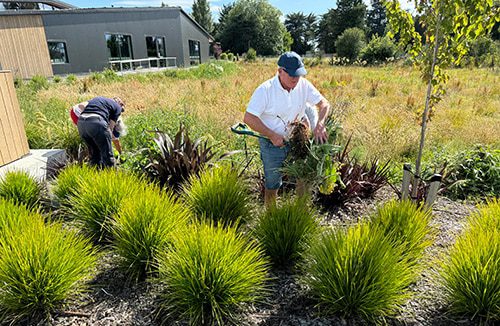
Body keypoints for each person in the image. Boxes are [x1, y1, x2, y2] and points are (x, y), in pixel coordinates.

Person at [243, 51, 330, 206]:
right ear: (280, 71)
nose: (295, 79)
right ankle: (271, 214)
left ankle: (300, 211)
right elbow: (249, 118)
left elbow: (324, 104)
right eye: (291, 75)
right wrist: (271, 135)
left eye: (298, 75)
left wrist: (320, 124)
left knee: (302, 177)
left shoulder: (303, 84)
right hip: (271, 144)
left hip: (297, 140)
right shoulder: (265, 90)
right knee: (273, 182)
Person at [75, 97, 125, 168]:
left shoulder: (99, 99)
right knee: (108, 156)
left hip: (81, 123)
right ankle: (111, 175)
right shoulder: (118, 107)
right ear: (120, 104)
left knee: (94, 156)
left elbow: (80, 105)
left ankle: (95, 174)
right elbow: (110, 128)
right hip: (96, 122)